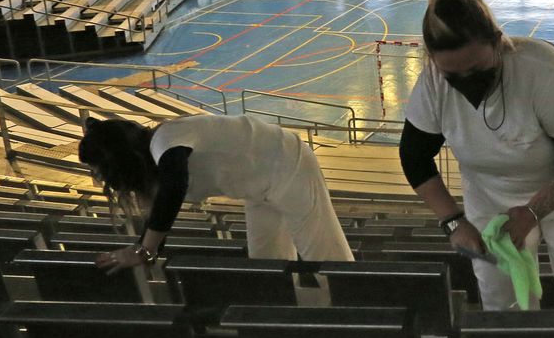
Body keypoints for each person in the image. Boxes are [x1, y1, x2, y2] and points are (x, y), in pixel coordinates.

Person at [398, 0, 554, 310]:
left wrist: (533, 212)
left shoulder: (545, 71)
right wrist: (453, 221)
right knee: (501, 298)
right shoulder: (432, 83)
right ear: (434, 61)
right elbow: (414, 157)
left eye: (476, 69)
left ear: (497, 42)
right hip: (491, 195)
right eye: (453, 76)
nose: (467, 83)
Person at [80, 114, 354, 271]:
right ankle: (282, 319)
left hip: (288, 163)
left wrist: (144, 250)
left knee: (325, 254)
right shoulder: (160, 157)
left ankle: (356, 310)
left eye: (101, 171)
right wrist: (143, 248)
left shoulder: (165, 140)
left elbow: (175, 186)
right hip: (257, 185)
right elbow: (159, 213)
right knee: (267, 262)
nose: (102, 179)